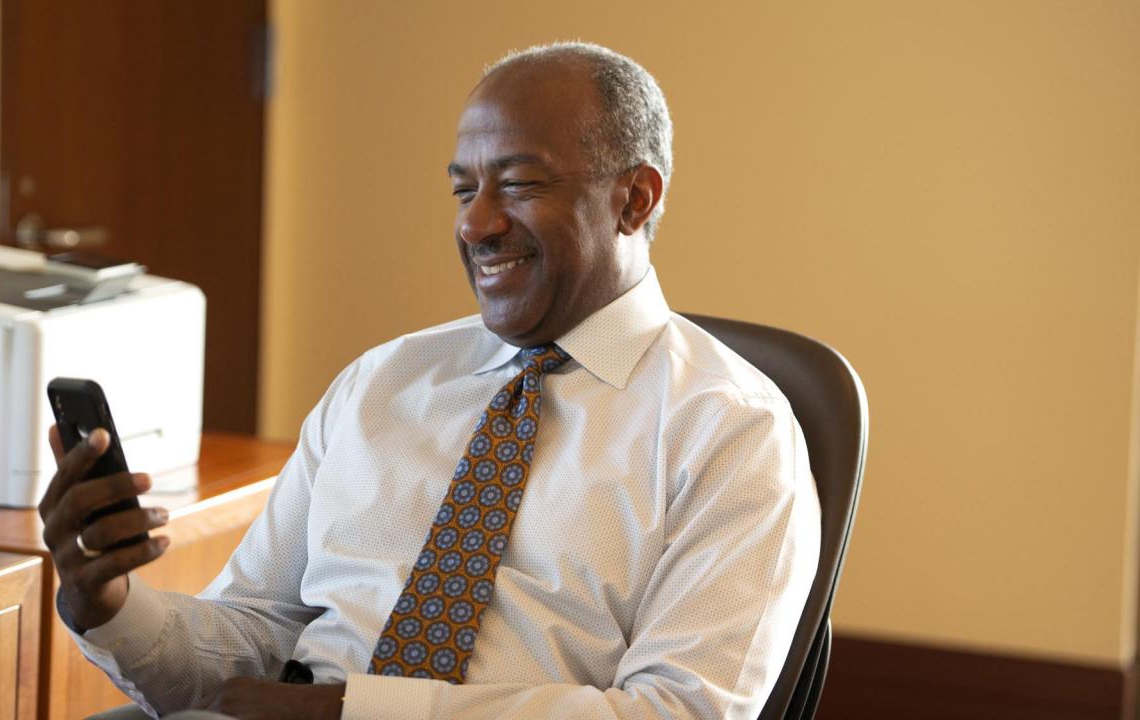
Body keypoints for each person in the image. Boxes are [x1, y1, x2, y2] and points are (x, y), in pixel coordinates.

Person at [40, 41, 820, 720]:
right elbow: (251, 637)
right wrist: (106, 605)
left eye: (517, 184)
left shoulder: (733, 431)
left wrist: (352, 711)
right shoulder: (381, 383)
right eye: (462, 189)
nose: (476, 224)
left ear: (633, 198)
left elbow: (679, 713)